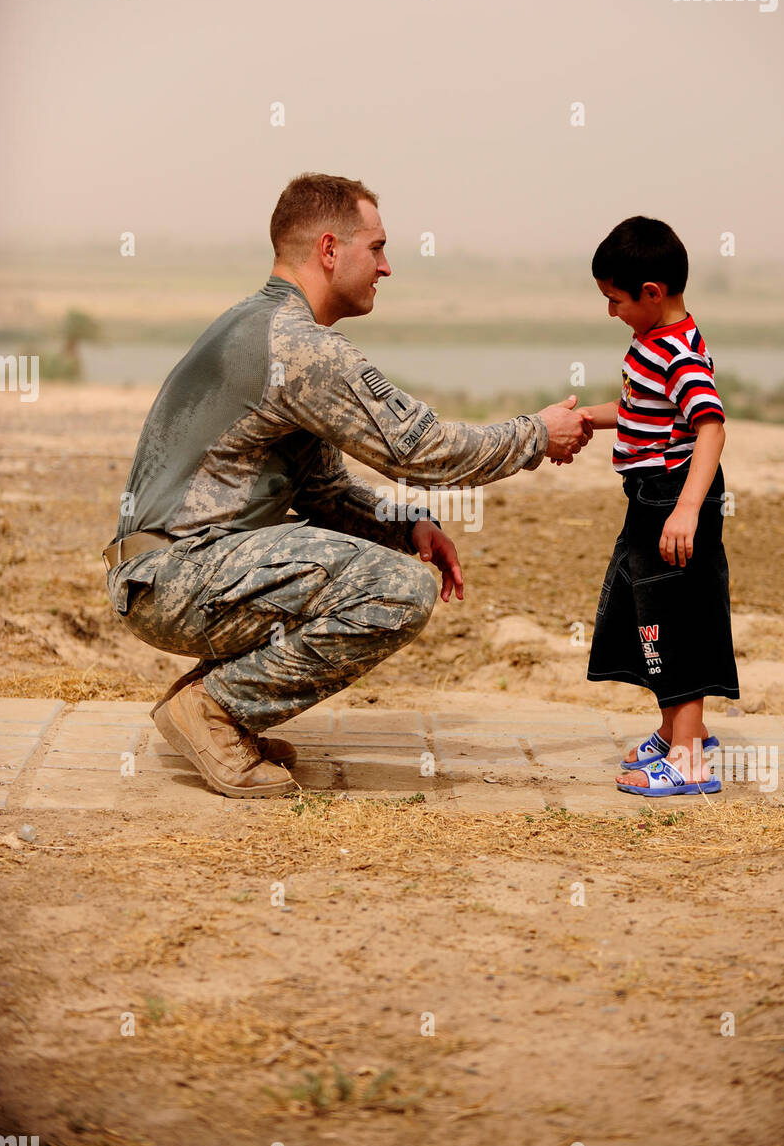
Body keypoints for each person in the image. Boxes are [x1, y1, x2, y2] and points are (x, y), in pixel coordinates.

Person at [102, 173, 593, 799]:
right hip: (178, 574)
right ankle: (214, 711)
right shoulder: (301, 347)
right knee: (400, 588)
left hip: (167, 571)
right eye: (377, 248)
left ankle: (214, 707)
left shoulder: (261, 325)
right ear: (330, 250)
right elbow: (423, 450)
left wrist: (407, 524)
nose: (386, 267)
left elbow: (325, 492)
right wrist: (535, 435)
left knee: (387, 563)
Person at [578, 216, 739, 796]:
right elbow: (641, 414)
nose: (611, 312)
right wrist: (583, 420)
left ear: (651, 293)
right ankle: (675, 731)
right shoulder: (650, 343)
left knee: (676, 620)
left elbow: (711, 428)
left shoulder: (679, 355)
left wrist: (688, 508)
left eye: (614, 300)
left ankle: (691, 755)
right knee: (646, 612)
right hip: (650, 499)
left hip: (672, 498)